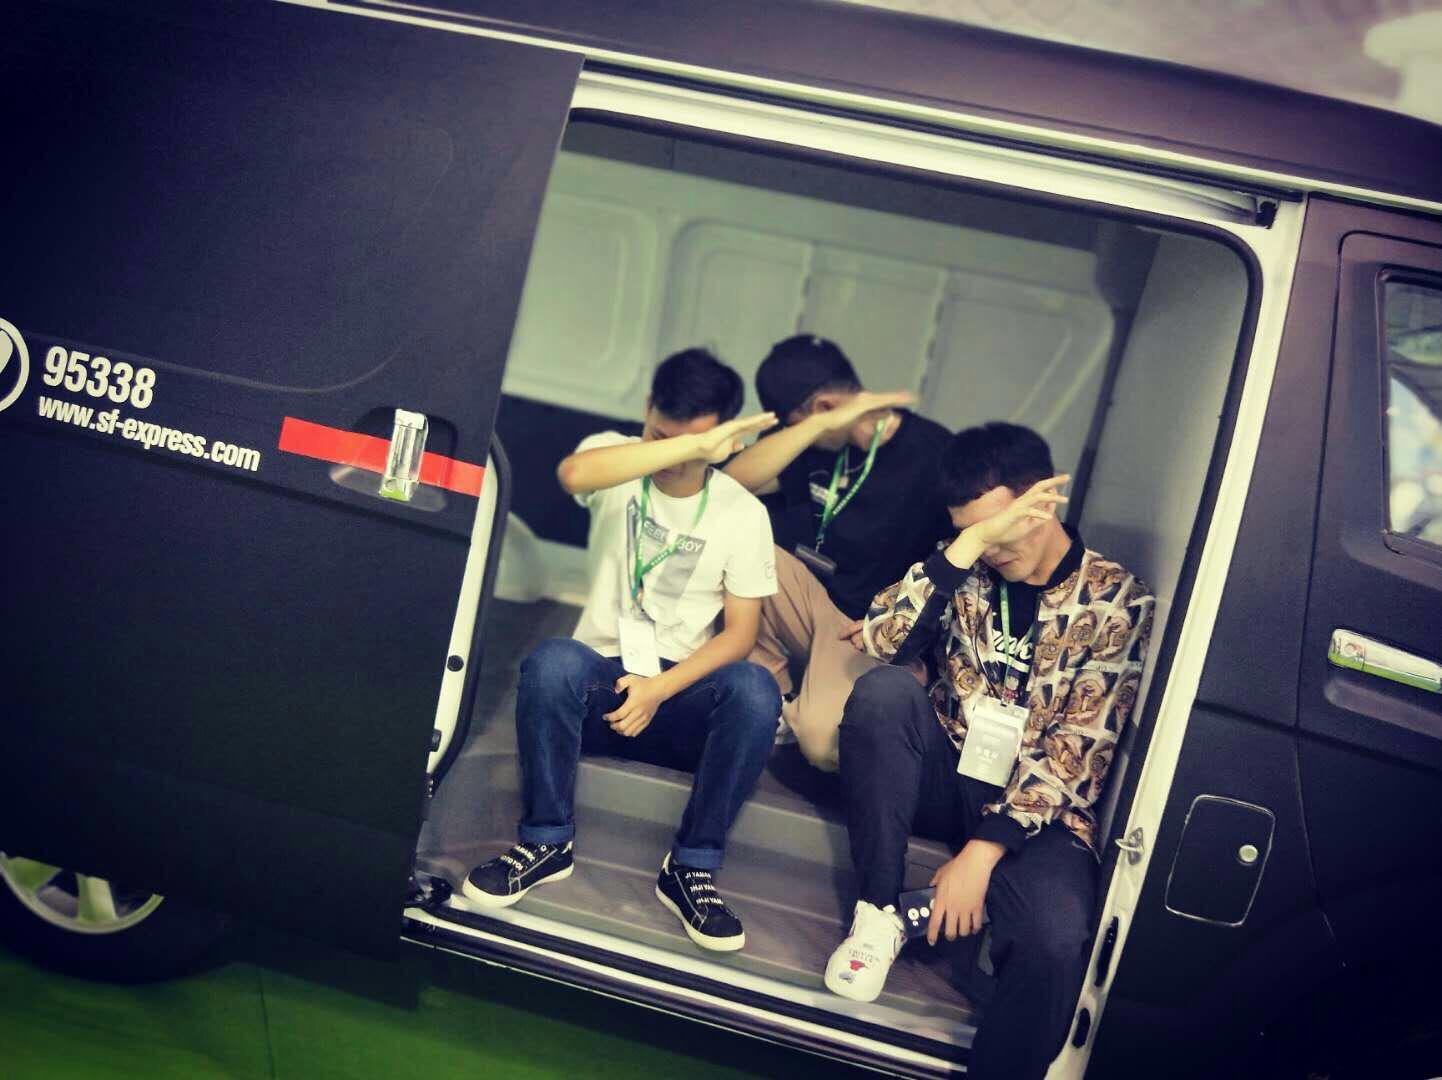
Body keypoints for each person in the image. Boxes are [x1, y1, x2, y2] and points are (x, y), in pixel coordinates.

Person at [823, 421, 1155, 1080]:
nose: (995, 549)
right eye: (978, 533)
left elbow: (1079, 750)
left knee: (1054, 939)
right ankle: (878, 914)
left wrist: (982, 853)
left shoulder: (1116, 600)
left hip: (1041, 809)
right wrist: (966, 547)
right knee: (885, 695)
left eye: (1004, 529)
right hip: (950, 766)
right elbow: (881, 641)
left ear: (1045, 500)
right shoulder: (964, 564)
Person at [462, 348, 783, 953]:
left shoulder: (742, 513)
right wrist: (689, 445)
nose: (673, 455)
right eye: (661, 435)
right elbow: (573, 475)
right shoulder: (615, 458)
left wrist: (659, 688)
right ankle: (546, 842)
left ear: (726, 439)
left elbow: (741, 635)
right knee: (553, 661)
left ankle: (690, 868)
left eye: (693, 443)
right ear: (647, 411)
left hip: (678, 697)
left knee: (755, 689)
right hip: (600, 688)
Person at [724, 334, 952, 771]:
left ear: (824, 405)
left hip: (866, 630)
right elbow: (729, 485)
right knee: (733, 538)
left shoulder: (933, 453)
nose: (790, 433)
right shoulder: (805, 441)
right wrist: (811, 428)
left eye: (793, 422)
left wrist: (903, 638)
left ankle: (816, 707)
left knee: (822, 745)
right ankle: (773, 696)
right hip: (811, 603)